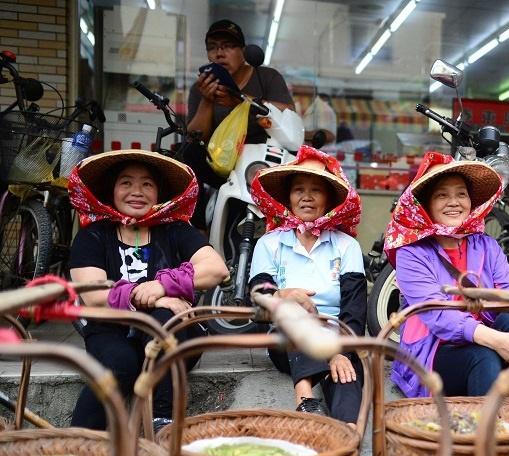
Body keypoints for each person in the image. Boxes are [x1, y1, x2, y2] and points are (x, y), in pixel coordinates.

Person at [68, 150, 229, 430]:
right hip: (111, 331)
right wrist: (160, 297)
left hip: (170, 339)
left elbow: (216, 268)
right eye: (126, 183)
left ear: (158, 192)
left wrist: (161, 285)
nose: (137, 192)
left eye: (147, 184)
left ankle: (161, 421)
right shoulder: (93, 235)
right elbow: (93, 294)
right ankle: (77, 444)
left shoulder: (176, 230)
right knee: (119, 367)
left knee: (162, 324)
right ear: (112, 190)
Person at [384, 152, 509, 400]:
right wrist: (497, 340)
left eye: (461, 194)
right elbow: (437, 315)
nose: (454, 202)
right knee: (484, 356)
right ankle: (487, 432)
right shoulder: (411, 252)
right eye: (442, 195)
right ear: (427, 205)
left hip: (483, 332)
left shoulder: (485, 244)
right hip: (435, 349)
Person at [247, 145, 366, 423]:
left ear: (329, 199)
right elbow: (257, 299)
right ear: (288, 198)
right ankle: (305, 398)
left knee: (347, 383)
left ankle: (347, 447)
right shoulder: (270, 243)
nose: (307, 197)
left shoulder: (346, 246)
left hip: (339, 337)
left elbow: (355, 310)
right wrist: (281, 295)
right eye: (299, 189)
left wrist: (340, 353)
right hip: (286, 339)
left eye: (316, 190)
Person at [185, 19, 296, 223]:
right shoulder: (200, 88)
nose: (219, 53)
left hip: (264, 159)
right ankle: (197, 228)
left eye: (227, 46)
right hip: (223, 162)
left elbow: (289, 113)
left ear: (243, 52)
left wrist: (241, 101)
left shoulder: (267, 77)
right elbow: (195, 137)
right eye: (213, 48)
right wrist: (207, 101)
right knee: (188, 154)